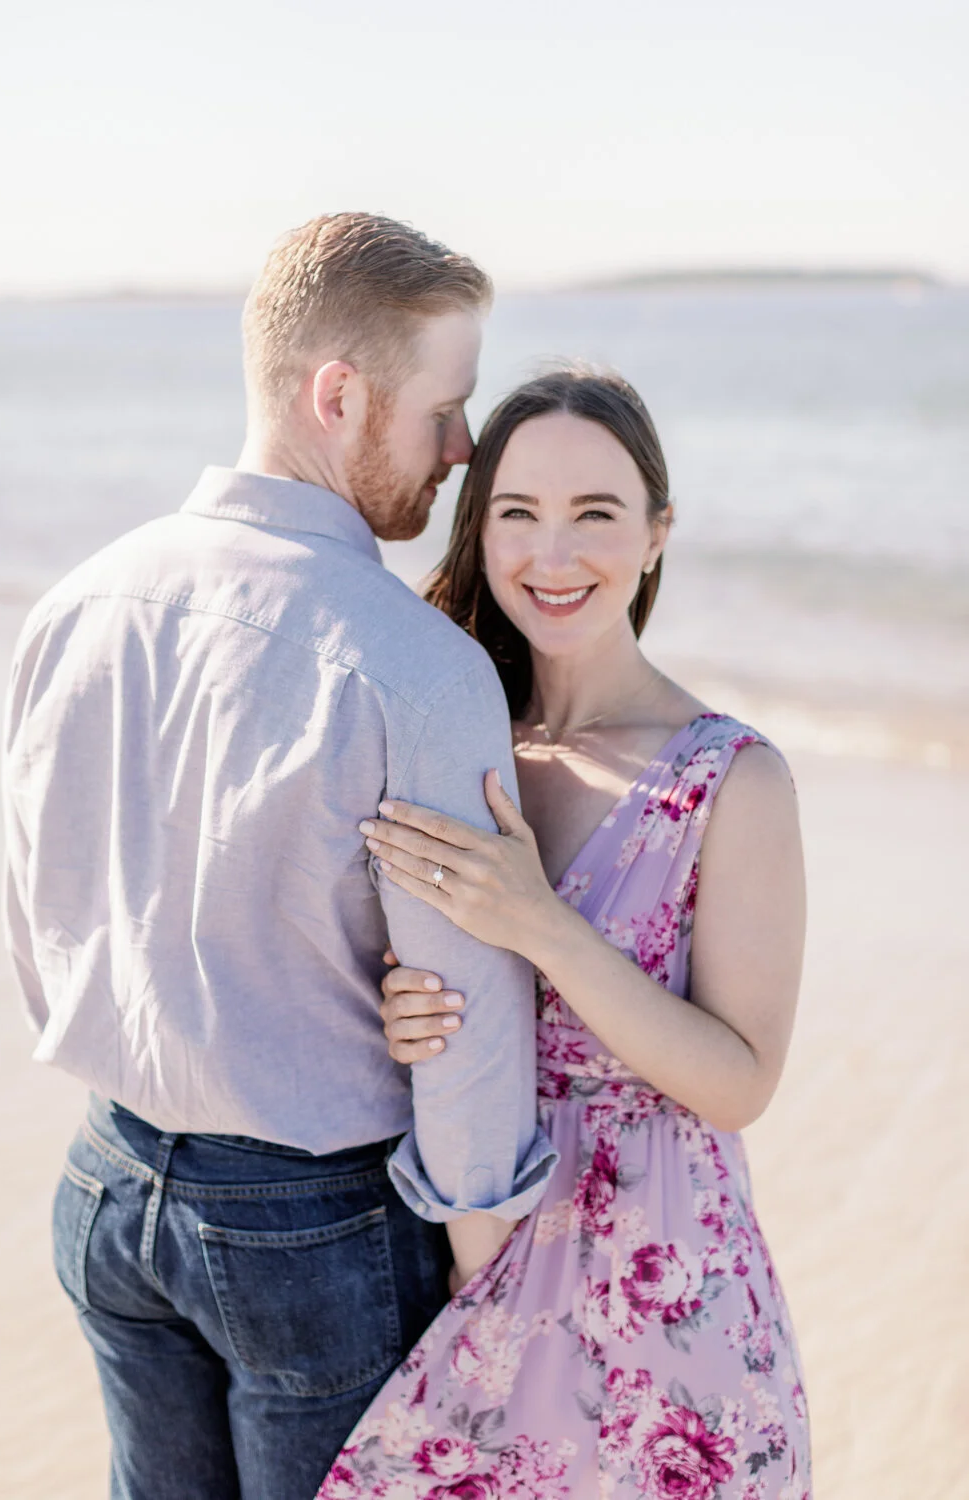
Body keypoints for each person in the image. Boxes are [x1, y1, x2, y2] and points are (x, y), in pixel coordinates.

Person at [1, 213, 556, 1499]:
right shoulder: (416, 667)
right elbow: (463, 1017)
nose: (462, 448)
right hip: (309, 1229)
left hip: (104, 1183)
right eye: (446, 406)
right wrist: (487, 1268)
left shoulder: (77, 603)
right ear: (337, 395)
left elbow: (41, 922)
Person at [320, 370, 812, 1497]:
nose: (554, 552)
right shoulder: (458, 745)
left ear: (654, 537)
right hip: (479, 1255)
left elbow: (737, 1082)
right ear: (479, 533)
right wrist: (406, 1009)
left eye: (595, 513)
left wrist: (540, 925)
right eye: (517, 513)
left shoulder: (731, 780)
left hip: (669, 1296)